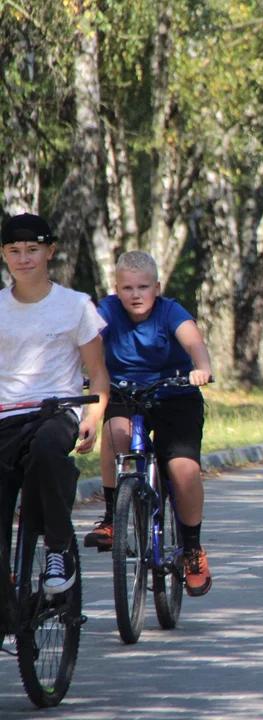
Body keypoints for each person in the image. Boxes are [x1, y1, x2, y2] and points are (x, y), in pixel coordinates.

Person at [84, 251, 215, 596]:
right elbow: (86, 341)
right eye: (127, 287)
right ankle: (113, 518)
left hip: (175, 393)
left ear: (157, 287)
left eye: (144, 286)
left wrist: (200, 367)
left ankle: (192, 550)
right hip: (123, 392)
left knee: (183, 469)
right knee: (115, 434)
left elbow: (194, 341)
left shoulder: (170, 311)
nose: (136, 294)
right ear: (116, 288)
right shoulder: (107, 311)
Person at [0, 213, 109, 594]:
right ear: (4, 255)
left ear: (50, 251)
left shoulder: (76, 305)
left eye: (32, 249)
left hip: (56, 411)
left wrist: (93, 415)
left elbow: (97, 372)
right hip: (5, 416)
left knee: (47, 454)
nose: (23, 258)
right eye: (14, 250)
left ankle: (57, 549)